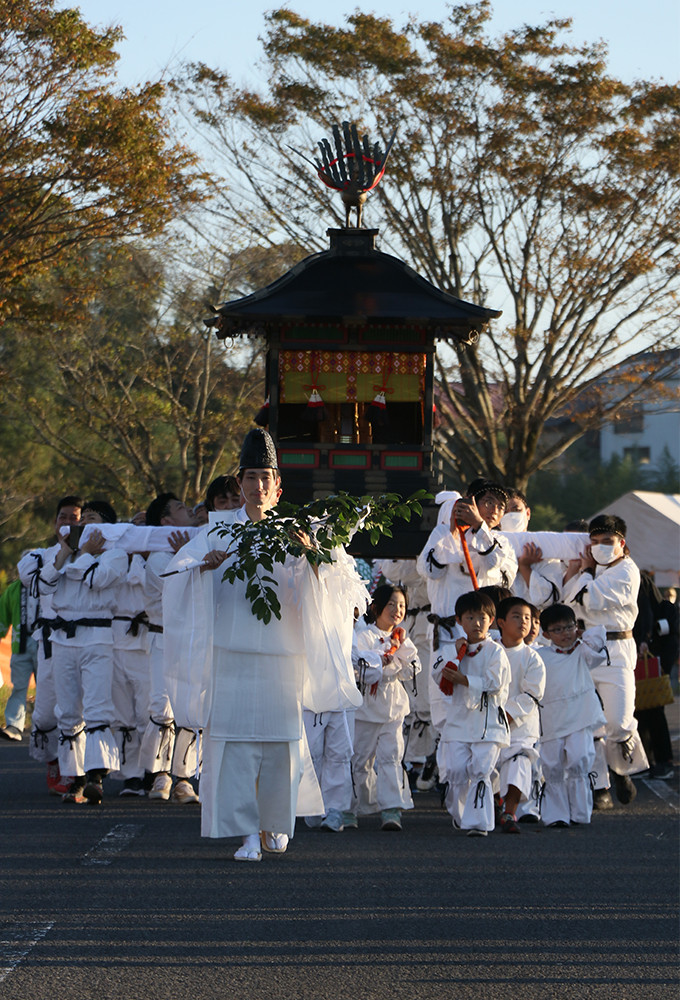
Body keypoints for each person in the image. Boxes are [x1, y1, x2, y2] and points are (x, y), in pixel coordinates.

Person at [162, 428, 362, 862]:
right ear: (240, 482)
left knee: (281, 742)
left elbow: (336, 584)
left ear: (278, 486)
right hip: (230, 654)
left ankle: (275, 822)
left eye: (265, 477)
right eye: (250, 477)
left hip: (280, 656)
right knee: (231, 744)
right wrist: (203, 568)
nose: (257, 486)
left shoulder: (294, 531)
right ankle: (246, 833)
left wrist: (312, 558)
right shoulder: (218, 533)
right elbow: (176, 573)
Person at [417, 480, 517, 758]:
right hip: (447, 631)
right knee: (443, 701)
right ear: (471, 502)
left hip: (484, 636)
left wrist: (479, 530)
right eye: (488, 502)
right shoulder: (443, 534)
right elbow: (428, 568)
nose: (495, 509)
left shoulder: (502, 542)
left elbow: (496, 565)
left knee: (484, 694)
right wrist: (450, 531)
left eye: (500, 506)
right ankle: (448, 762)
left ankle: (483, 764)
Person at [38, 499, 127, 804]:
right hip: (63, 638)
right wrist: (65, 551)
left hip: (97, 637)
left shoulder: (116, 556)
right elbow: (45, 585)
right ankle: (73, 778)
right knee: (67, 711)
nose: (85, 524)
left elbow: (96, 580)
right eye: (83, 519)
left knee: (97, 706)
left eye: (93, 519)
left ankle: (96, 778)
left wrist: (84, 555)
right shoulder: (61, 553)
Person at [562, 514, 648, 808]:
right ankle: (600, 785)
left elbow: (590, 600)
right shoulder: (588, 570)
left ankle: (621, 767)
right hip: (584, 647)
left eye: (607, 541)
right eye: (594, 542)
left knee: (619, 721)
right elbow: (568, 602)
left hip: (617, 649)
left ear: (621, 543)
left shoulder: (627, 571)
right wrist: (579, 574)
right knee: (589, 722)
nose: (599, 547)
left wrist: (583, 573)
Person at [18, 495, 82, 794]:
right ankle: (52, 759)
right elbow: (31, 581)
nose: (69, 523)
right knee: (44, 712)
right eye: (64, 517)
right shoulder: (38, 556)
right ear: (55, 522)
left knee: (77, 708)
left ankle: (75, 770)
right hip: (49, 641)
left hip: (84, 639)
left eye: (75, 517)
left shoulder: (95, 555)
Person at [433, 590, 511, 837]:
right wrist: (455, 658)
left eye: (482, 617)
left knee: (480, 769)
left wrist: (465, 680)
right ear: (458, 620)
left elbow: (495, 682)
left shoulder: (496, 651)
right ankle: (461, 814)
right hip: (458, 721)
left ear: (491, 619)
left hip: (487, 722)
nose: (476, 623)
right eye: (470, 617)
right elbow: (438, 675)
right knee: (456, 769)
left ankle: (478, 823)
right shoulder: (454, 649)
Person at [139, 493, 199, 804]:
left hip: (192, 639)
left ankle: (185, 777)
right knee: (162, 708)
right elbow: (178, 591)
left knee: (189, 707)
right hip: (163, 637)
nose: (188, 510)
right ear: (166, 522)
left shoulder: (187, 550)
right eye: (179, 509)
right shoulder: (160, 557)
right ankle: (159, 774)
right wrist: (185, 555)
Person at [349, 584, 421, 831]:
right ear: (376, 606)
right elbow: (360, 666)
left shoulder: (402, 637)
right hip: (366, 709)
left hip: (393, 708)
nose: (397, 610)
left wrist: (396, 661)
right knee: (360, 760)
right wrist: (386, 662)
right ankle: (353, 807)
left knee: (391, 757)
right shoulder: (363, 635)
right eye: (391, 604)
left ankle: (392, 810)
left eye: (401, 605)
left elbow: (412, 668)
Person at [537, 604, 608, 827]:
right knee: (553, 765)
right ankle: (556, 815)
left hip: (580, 715)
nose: (565, 634)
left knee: (579, 759)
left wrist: (580, 635)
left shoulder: (582, 650)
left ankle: (579, 813)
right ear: (546, 634)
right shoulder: (540, 655)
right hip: (551, 717)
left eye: (569, 627)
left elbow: (599, 638)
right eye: (557, 630)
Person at [494, 597, 546, 834]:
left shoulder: (532, 657)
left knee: (519, 763)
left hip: (520, 726)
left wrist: (508, 714)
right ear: (501, 622)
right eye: (517, 616)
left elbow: (533, 694)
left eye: (527, 618)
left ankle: (509, 811)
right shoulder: (489, 650)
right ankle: (495, 801)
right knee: (485, 767)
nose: (524, 622)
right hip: (488, 724)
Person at [0, 574, 39, 741]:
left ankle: (48, 726)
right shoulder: (14, 589)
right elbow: (2, 615)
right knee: (19, 687)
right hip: (20, 643)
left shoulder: (50, 584)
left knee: (48, 687)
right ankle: (14, 726)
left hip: (45, 642)